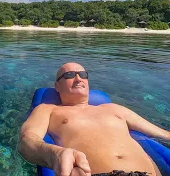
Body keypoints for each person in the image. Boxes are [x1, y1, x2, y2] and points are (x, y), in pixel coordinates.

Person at [18, 62, 169, 176]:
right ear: (57, 86)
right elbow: (27, 140)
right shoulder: (47, 109)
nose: (78, 78)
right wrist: (53, 154)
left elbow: (164, 134)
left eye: (83, 75)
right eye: (69, 75)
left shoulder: (115, 108)